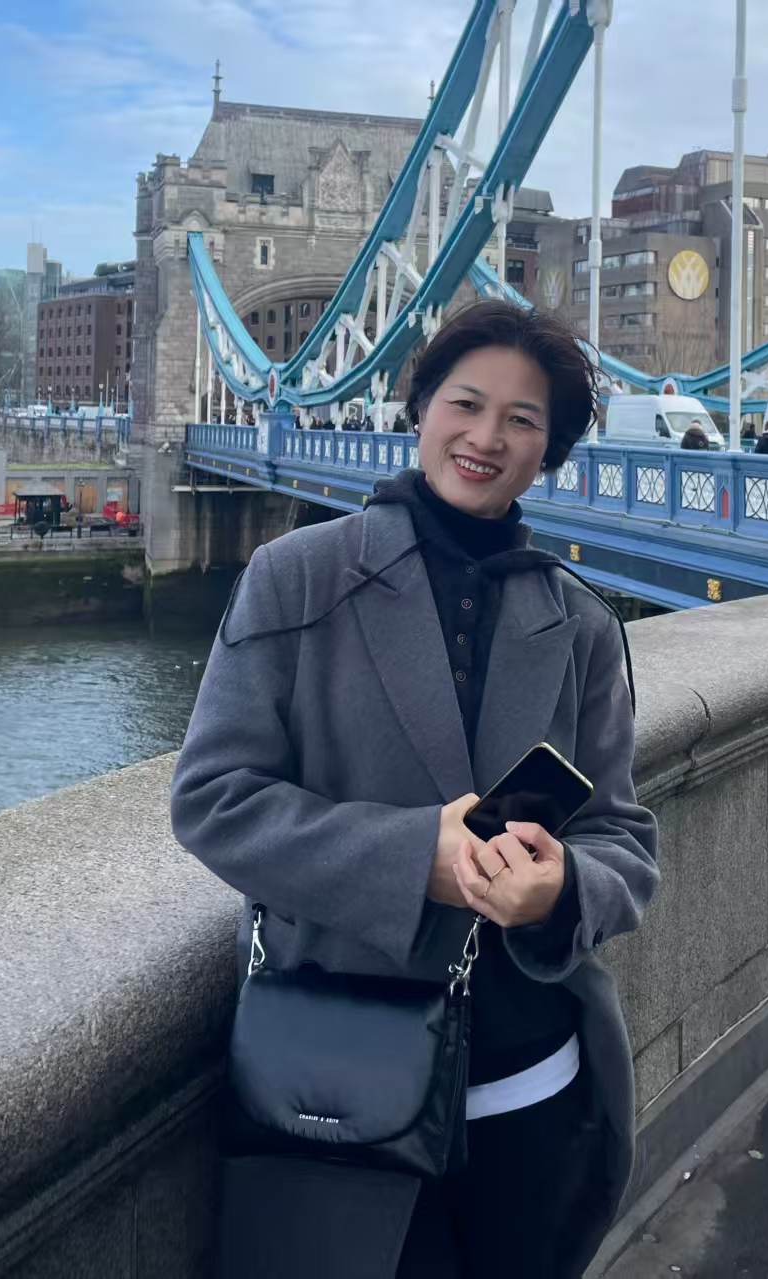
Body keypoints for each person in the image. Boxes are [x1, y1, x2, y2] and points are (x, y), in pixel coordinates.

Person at [171, 299, 660, 1279]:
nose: (486, 437)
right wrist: (411, 860)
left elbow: (620, 837)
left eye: (521, 420)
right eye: (465, 403)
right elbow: (213, 798)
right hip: (342, 1079)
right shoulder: (294, 578)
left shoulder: (581, 624)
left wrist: (559, 888)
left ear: (551, 450)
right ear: (420, 406)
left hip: (533, 1088)